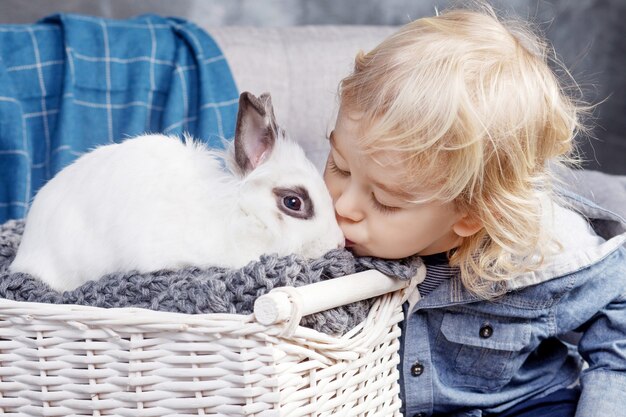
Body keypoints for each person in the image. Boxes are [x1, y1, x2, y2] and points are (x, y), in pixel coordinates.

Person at [322, 4, 626, 417]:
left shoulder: (547, 256)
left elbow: (618, 315)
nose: (344, 205)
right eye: (338, 165)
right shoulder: (318, 223)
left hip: (528, 405)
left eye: (385, 201)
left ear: (470, 215)